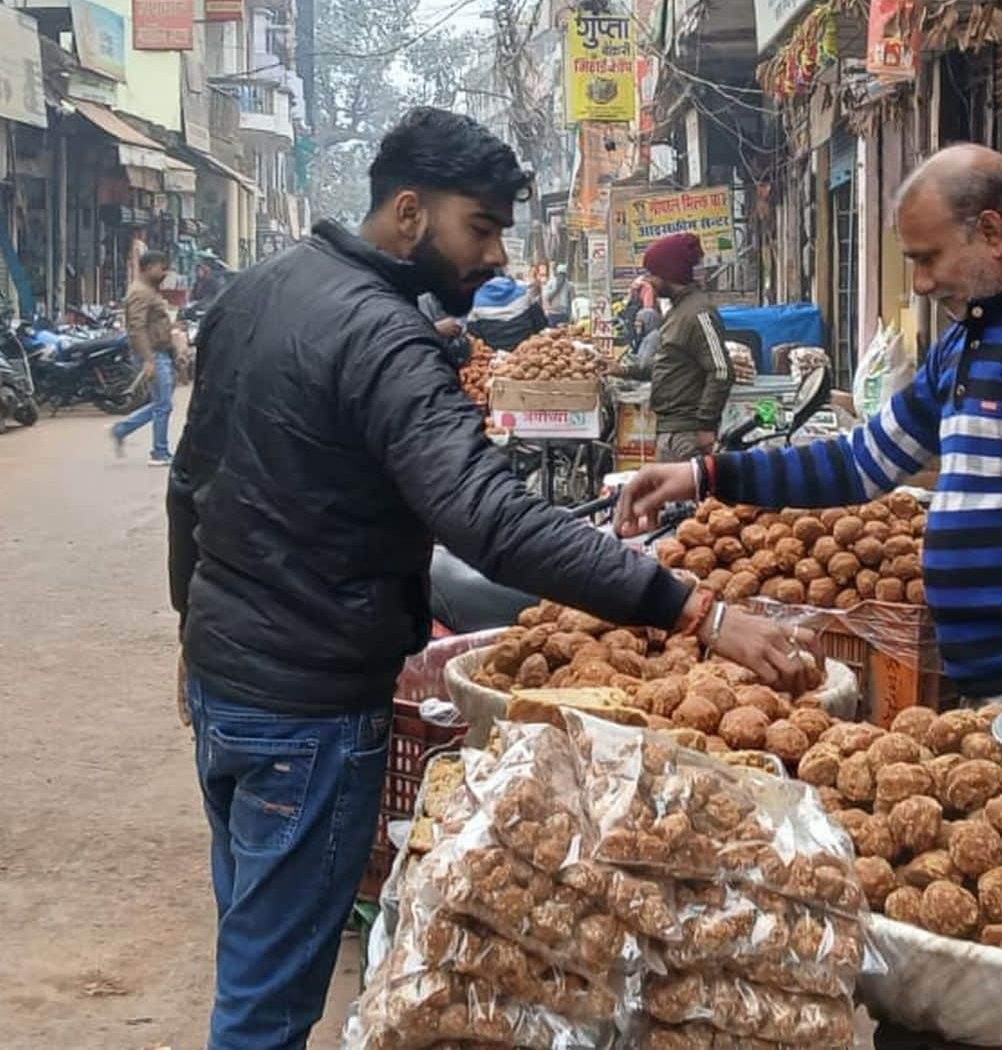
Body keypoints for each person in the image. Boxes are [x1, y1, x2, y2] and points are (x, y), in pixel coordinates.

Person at [167, 107, 809, 1049]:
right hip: (306, 705)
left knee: (252, 942)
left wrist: (190, 634)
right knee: (267, 999)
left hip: (231, 684)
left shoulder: (259, 290)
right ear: (411, 211)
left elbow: (192, 483)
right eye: (483, 226)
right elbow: (491, 519)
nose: (498, 255)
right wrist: (699, 611)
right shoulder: (385, 339)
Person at [617, 145, 1002, 697]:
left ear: (993, 233)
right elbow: (861, 462)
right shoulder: (967, 340)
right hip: (991, 687)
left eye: (929, 258)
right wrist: (703, 475)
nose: (921, 283)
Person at [623, 232, 734, 462]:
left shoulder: (698, 312)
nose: (649, 280)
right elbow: (669, 363)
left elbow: (721, 370)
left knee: (693, 497)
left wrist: (706, 425)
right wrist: (623, 370)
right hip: (671, 429)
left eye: (652, 273)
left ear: (668, 273)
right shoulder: (677, 311)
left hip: (687, 433)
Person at [112, 249, 177, 466]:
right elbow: (136, 328)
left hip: (161, 353)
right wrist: (148, 359)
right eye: (161, 268)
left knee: (162, 403)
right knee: (163, 404)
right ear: (148, 268)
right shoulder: (140, 292)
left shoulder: (149, 290)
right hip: (154, 354)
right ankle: (159, 452)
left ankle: (122, 429)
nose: (164, 272)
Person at [467, 274, 548, 351]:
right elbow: (541, 324)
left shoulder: (472, 302)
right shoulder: (525, 290)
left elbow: (476, 340)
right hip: (529, 355)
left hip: (495, 360)